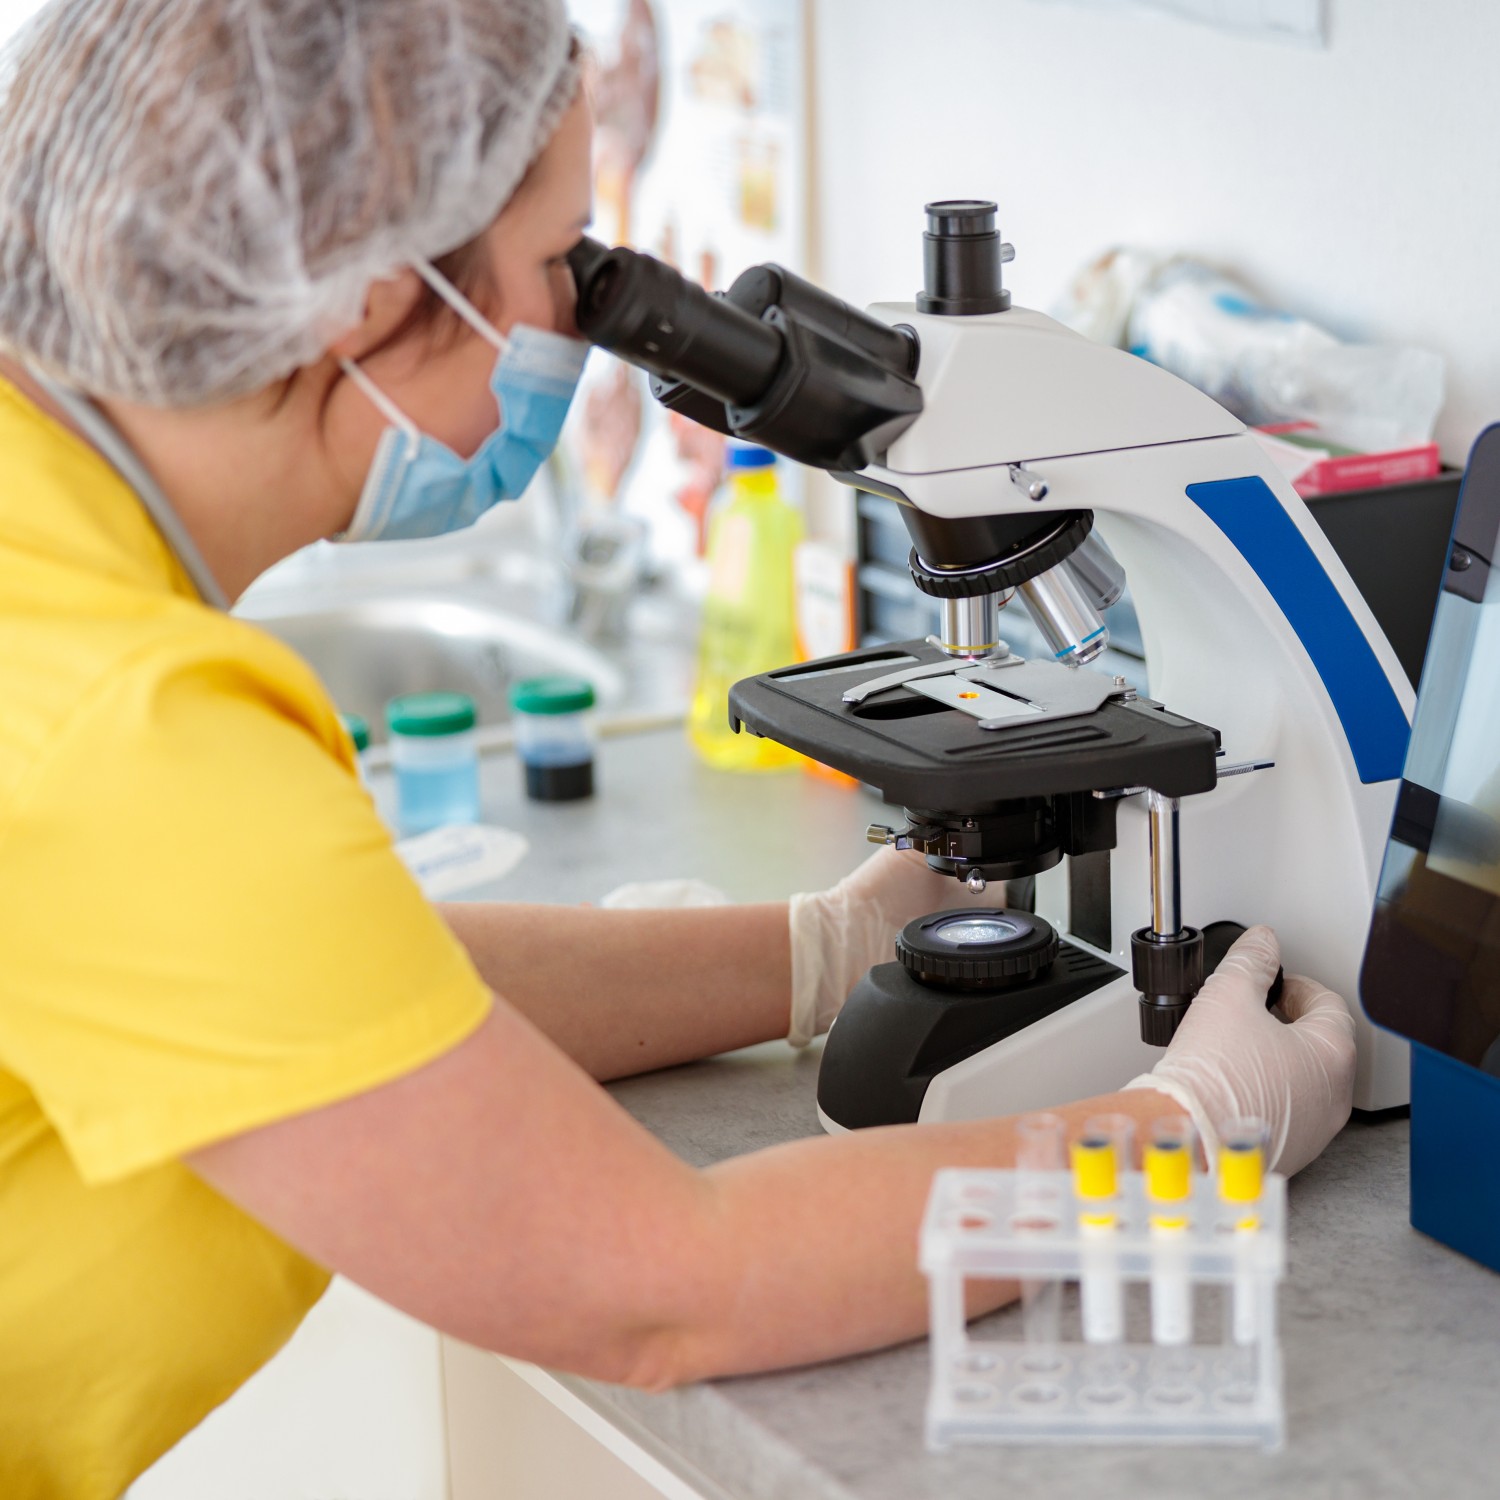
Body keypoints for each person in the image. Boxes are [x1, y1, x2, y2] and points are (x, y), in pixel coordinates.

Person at [0, 2, 1357, 1496]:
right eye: (567, 268)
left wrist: (814, 953)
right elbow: (660, 1282)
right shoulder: (126, 735)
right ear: (364, 297)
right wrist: (1186, 1136)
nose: (592, 327)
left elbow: (345, 988)